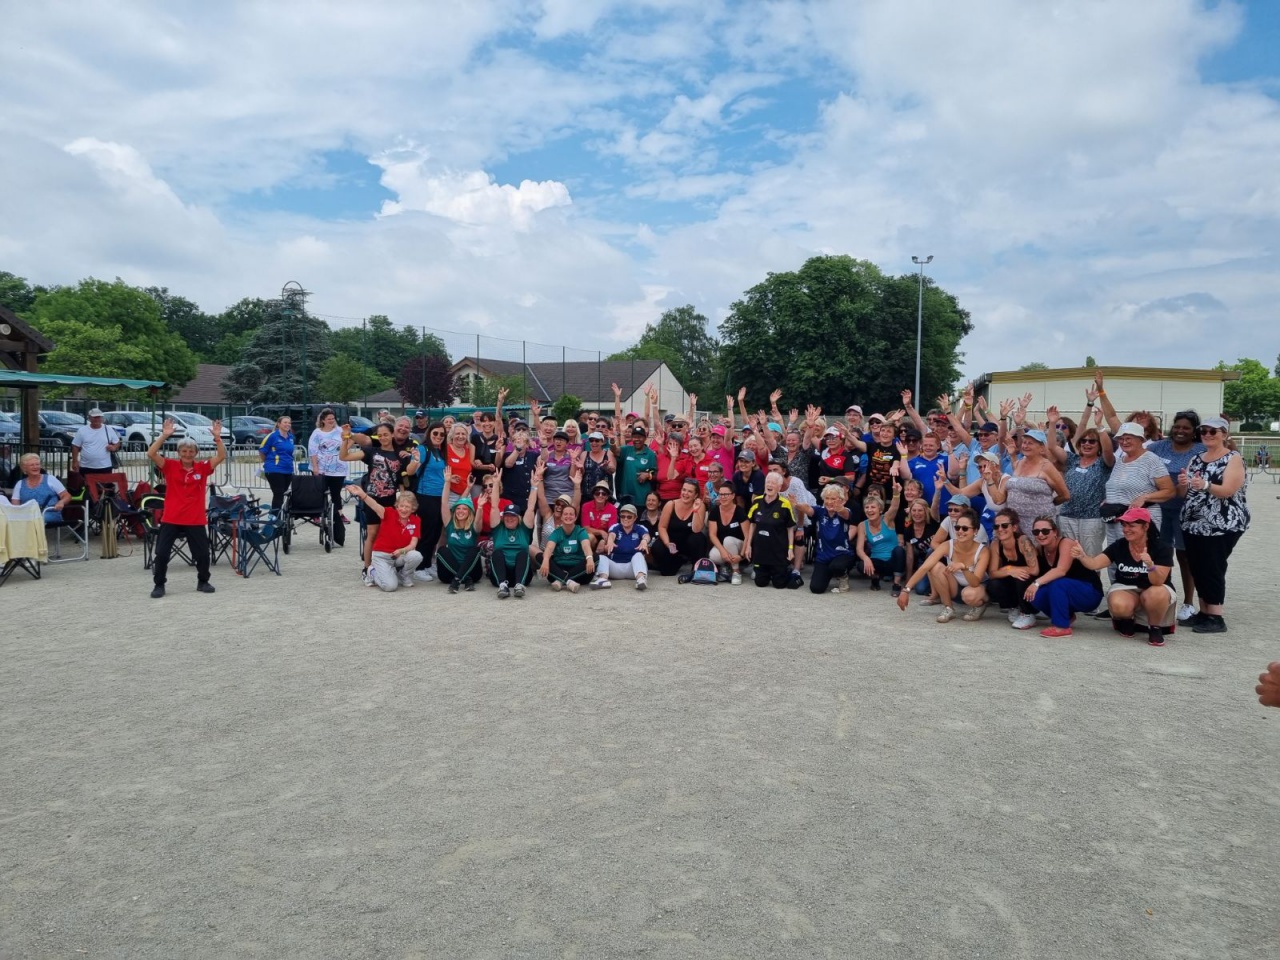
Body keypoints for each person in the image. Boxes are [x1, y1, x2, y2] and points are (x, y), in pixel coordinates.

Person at [1178, 416, 1250, 634]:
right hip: (1194, 524)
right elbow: (1185, 492)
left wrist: (1206, 485)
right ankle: (1204, 610)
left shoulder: (1233, 458)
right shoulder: (1197, 458)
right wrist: (1183, 484)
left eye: (1213, 431)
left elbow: (1228, 490)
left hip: (1222, 524)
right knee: (1197, 567)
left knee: (1213, 567)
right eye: (1204, 431)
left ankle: (1216, 615)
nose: (1208, 435)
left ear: (1224, 435)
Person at [1071, 507, 1175, 647]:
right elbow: (1095, 564)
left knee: (1156, 593)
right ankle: (1127, 620)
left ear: (1145, 526)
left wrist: (1150, 565)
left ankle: (1155, 628)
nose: (1126, 529)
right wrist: (1082, 556)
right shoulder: (1119, 545)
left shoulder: (1162, 547)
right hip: (1127, 587)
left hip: (1154, 587)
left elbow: (1158, 581)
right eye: (1124, 525)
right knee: (1119, 604)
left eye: (1132, 525)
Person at [146, 418, 226, 598]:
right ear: (179, 452)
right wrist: (164, 436)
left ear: (196, 453)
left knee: (203, 554)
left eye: (191, 451)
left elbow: (221, 456)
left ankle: (203, 581)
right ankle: (159, 584)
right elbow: (151, 453)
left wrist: (218, 438)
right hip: (172, 517)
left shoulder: (202, 467)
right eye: (184, 451)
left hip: (194, 518)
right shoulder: (170, 466)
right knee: (162, 554)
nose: (188, 454)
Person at [1146, 410, 1206, 621]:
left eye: (1186, 428)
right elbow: (1134, 451)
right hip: (1159, 510)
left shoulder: (1201, 449)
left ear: (1194, 431)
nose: (1180, 431)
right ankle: (1162, 596)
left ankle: (1188, 603)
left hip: (1187, 511)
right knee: (1160, 554)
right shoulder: (1158, 446)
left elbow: (1225, 453)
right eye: (1177, 426)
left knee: (1185, 556)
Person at [340, 421, 410, 584]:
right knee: (372, 534)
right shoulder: (371, 452)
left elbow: (402, 481)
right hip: (372, 498)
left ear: (392, 435)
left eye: (386, 434)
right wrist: (345, 439)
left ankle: (386, 565)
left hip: (390, 500)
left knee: (388, 534)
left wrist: (404, 499)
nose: (383, 437)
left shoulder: (400, 456)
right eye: (380, 435)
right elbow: (344, 456)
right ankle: (367, 567)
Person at [1016, 516, 1104, 638]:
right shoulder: (1040, 549)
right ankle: (1066, 616)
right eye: (1036, 532)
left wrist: (1036, 583)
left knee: (1057, 582)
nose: (1040, 534)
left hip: (1089, 592)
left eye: (1045, 531)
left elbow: (1061, 570)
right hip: (1066, 591)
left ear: (1055, 532)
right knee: (1035, 595)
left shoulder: (1066, 543)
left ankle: (1061, 627)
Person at [897, 506, 987, 623]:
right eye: (957, 527)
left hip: (975, 588)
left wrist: (963, 567)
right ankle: (948, 608)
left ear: (975, 531)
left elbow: (975, 582)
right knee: (935, 567)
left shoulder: (983, 551)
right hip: (955, 586)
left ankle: (980, 605)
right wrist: (906, 590)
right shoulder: (948, 545)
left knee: (969, 594)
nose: (960, 531)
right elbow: (925, 567)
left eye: (965, 528)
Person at [1102, 422, 1175, 547]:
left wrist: (1145, 497)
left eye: (1128, 438)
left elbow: (1170, 491)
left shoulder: (1151, 460)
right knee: (1115, 559)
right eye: (1121, 439)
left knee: (1137, 561)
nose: (1124, 442)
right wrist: (1108, 500)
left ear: (1141, 439)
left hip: (1139, 523)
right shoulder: (1121, 460)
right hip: (1116, 521)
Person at [344, 487, 421, 592]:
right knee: (390, 587)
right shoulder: (388, 512)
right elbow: (374, 505)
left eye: (407, 507)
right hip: (382, 556)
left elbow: (413, 544)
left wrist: (401, 551)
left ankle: (404, 575)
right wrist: (363, 494)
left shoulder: (416, 520)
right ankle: (372, 572)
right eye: (401, 506)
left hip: (398, 555)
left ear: (413, 508)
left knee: (416, 555)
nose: (403, 509)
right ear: (397, 506)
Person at [404, 422, 448, 581]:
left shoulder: (440, 452)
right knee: (427, 532)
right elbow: (410, 471)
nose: (438, 437)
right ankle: (419, 567)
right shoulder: (423, 450)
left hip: (439, 496)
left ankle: (428, 563)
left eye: (442, 435)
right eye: (435, 433)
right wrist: (415, 460)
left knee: (436, 532)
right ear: (429, 433)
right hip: (425, 495)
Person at [985, 508, 1038, 623]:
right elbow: (993, 573)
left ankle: (1028, 613)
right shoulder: (995, 545)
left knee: (1022, 577)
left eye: (1004, 526)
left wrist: (1011, 569)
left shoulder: (1023, 541)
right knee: (993, 584)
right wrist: (1009, 571)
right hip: (1012, 582)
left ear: (1014, 527)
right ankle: (1013, 607)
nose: (1000, 529)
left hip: (1031, 583)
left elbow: (1034, 570)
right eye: (996, 526)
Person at [745, 472, 797, 588]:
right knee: (760, 583)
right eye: (768, 482)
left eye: (773, 483)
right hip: (761, 549)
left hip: (778, 550)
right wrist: (748, 546)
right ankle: (764, 571)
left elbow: (790, 528)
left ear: (779, 487)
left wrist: (790, 549)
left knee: (779, 584)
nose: (770, 485)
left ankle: (785, 570)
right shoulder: (757, 501)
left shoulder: (785, 504)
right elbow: (752, 525)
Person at [653, 477, 709, 576]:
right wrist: (668, 543)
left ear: (695, 495)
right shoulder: (671, 504)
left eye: (690, 491)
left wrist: (695, 510)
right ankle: (678, 560)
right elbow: (662, 527)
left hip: (688, 543)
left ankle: (696, 567)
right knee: (658, 551)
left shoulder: (700, 505)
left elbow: (697, 529)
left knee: (698, 538)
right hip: (672, 543)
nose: (685, 494)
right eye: (684, 490)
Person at [308, 408, 347, 547]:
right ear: (323, 420)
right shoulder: (317, 433)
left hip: (338, 468)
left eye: (333, 418)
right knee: (321, 492)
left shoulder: (340, 431)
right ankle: (319, 513)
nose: (331, 421)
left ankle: (338, 515)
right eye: (329, 419)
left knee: (336, 494)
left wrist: (347, 445)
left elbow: (349, 441)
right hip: (322, 468)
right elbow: (312, 450)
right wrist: (316, 467)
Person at [855, 490, 906, 596]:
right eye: (867, 507)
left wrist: (896, 493)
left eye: (873, 507)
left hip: (893, 560)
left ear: (880, 510)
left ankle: (896, 584)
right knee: (861, 565)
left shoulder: (887, 519)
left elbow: (894, 507)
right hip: (877, 560)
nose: (869, 510)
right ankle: (875, 578)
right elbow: (859, 549)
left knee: (899, 550)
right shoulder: (862, 525)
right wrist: (866, 559)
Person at [809, 483, 856, 594]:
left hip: (842, 554)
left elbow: (846, 514)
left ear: (841, 500)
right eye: (827, 498)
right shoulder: (820, 510)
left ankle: (843, 577)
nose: (830, 502)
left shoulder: (846, 511)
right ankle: (828, 573)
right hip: (823, 556)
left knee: (837, 566)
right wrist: (796, 504)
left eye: (833, 499)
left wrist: (839, 508)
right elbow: (808, 509)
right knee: (816, 588)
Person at [593, 501, 652, 590]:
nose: (625, 519)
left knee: (639, 555)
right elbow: (612, 534)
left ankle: (641, 579)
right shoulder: (616, 526)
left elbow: (646, 536)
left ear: (635, 518)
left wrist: (644, 541)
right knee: (602, 557)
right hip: (616, 566)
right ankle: (603, 579)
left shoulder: (640, 528)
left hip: (632, 568)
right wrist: (610, 541)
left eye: (629, 517)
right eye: (623, 516)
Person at [487, 496, 538, 598]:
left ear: (519, 517)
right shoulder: (498, 528)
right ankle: (502, 586)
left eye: (513, 516)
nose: (509, 518)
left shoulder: (524, 529)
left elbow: (531, 508)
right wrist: (496, 482)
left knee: (523, 553)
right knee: (497, 553)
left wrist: (534, 486)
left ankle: (519, 585)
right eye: (507, 515)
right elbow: (494, 507)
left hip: (521, 574)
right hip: (501, 574)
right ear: (503, 517)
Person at [436, 484, 483, 593]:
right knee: (442, 550)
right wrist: (447, 482)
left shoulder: (474, 526)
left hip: (472, 572)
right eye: (458, 508)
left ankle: (457, 580)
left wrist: (480, 507)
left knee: (475, 550)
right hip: (448, 573)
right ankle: (464, 578)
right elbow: (444, 503)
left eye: (464, 509)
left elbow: (478, 520)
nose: (460, 511)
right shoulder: (450, 524)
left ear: (470, 512)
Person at [540, 501, 595, 592]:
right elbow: (549, 548)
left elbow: (586, 546)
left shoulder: (580, 531)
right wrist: (545, 561)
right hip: (559, 567)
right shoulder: (556, 532)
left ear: (575, 517)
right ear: (561, 517)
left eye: (571, 514)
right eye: (565, 514)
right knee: (541, 556)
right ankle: (569, 581)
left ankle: (562, 580)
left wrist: (589, 558)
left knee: (595, 557)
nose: (568, 516)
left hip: (579, 571)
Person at [707, 480, 749, 584]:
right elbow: (712, 534)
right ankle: (726, 566)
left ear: (733, 495)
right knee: (713, 556)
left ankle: (736, 571)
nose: (723, 497)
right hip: (724, 547)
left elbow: (747, 536)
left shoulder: (739, 511)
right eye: (720, 494)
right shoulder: (715, 511)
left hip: (740, 546)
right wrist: (722, 551)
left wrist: (742, 555)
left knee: (728, 540)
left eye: (726, 494)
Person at [10, 452, 70, 522]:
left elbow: (67, 496)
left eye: (37, 464)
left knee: (35, 520)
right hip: (27, 515)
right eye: (32, 465)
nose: (35, 467)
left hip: (49, 513)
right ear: (24, 468)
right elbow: (15, 505)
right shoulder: (19, 484)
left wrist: (61, 502)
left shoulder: (50, 479)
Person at [902, 497, 940, 598]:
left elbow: (935, 506)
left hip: (939, 561)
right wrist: (908, 580)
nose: (916, 513)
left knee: (931, 550)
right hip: (923, 563)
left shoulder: (933, 524)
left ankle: (936, 590)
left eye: (920, 510)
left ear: (926, 512)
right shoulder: (908, 530)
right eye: (914, 510)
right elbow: (910, 556)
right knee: (920, 589)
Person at [70, 407, 121, 476]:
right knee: (85, 486)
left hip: (105, 466)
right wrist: (75, 461)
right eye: (95, 417)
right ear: (90, 418)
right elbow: (75, 446)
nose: (97, 419)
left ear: (102, 418)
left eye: (99, 417)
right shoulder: (82, 430)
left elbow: (117, 442)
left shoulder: (108, 429)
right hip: (86, 466)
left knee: (104, 486)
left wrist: (114, 447)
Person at [259, 415, 295, 511]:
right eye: (285, 422)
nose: (288, 424)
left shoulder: (291, 437)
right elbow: (262, 451)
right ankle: (274, 517)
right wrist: (269, 462)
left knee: (283, 493)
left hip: (288, 470)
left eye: (289, 423)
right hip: (274, 470)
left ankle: (279, 514)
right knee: (278, 493)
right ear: (279, 424)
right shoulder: (272, 436)